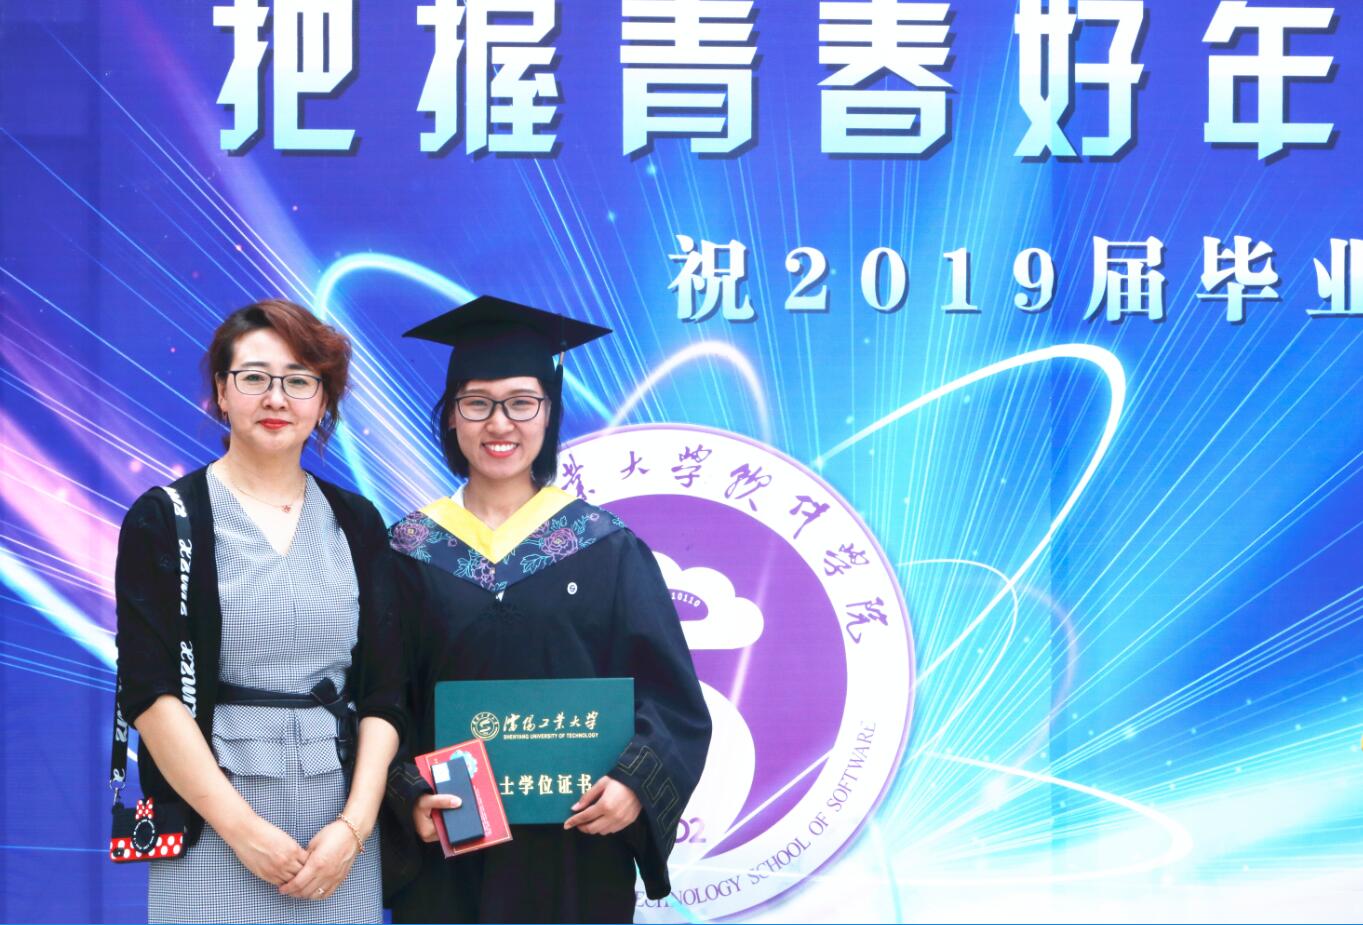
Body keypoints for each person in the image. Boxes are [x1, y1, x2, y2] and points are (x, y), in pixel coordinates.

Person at [383, 296, 712, 923]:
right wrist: (408, 793)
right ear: (451, 416)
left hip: (575, 850)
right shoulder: (407, 550)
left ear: (549, 412)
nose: (499, 424)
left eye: (521, 402)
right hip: (451, 846)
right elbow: (377, 698)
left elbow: (672, 700)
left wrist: (634, 784)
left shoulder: (605, 547)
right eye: (477, 403)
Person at [115, 299, 405, 923]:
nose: (276, 398)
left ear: (323, 401)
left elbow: (386, 692)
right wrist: (244, 832)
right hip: (210, 821)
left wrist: (353, 829)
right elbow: (150, 693)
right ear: (222, 392)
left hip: (337, 836)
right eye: (254, 377)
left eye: (299, 381)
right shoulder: (164, 519)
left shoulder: (357, 522)